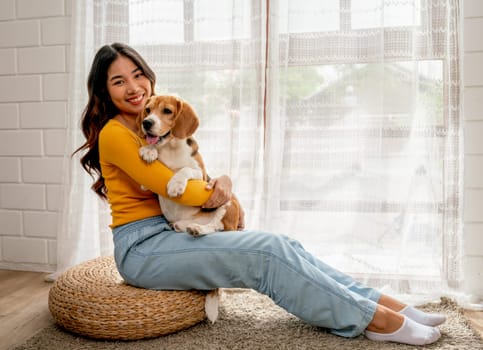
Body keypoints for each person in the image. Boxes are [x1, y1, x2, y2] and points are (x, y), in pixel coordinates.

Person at [74, 42, 446, 346]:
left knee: (282, 244)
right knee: (265, 256)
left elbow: (189, 175)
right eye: (119, 81)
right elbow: (186, 192)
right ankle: (373, 320)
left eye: (138, 74)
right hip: (143, 248)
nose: (134, 86)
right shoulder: (115, 134)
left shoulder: (152, 126)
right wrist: (223, 185)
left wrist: (219, 182)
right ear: (104, 90)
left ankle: (388, 304)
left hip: (171, 232)